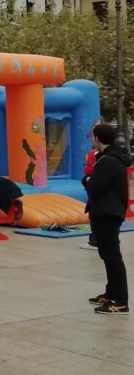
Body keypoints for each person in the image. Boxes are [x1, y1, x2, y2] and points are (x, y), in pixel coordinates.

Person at [83, 124, 131, 315]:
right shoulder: (108, 158)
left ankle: (120, 301)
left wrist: (87, 180)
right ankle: (111, 293)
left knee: (112, 257)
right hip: (107, 212)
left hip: (108, 213)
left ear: (97, 139)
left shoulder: (108, 161)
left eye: (93, 137)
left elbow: (94, 185)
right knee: (108, 256)